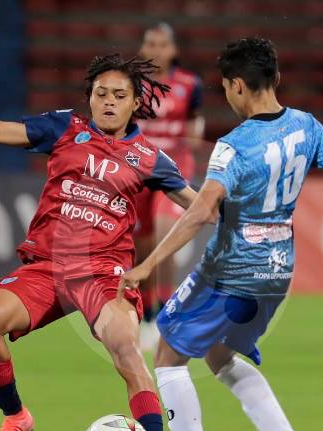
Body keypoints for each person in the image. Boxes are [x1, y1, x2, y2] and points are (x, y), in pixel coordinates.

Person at [118, 37, 323, 431]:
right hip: (279, 271)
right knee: (219, 354)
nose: (227, 95)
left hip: (231, 270)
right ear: (277, 78)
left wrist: (147, 266)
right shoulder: (308, 127)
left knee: (167, 352)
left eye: (228, 87)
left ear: (238, 86)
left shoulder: (233, 146)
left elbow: (203, 210)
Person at [0, 46, 196, 431]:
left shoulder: (150, 158)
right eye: (101, 94)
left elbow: (198, 206)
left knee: (125, 348)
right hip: (47, 266)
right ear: (90, 97)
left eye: (119, 95)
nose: (109, 102)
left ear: (136, 102)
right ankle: (16, 417)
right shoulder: (64, 128)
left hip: (103, 274)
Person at [134, 22, 205, 349]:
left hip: (173, 167)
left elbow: (195, 120)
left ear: (173, 49)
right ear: (143, 48)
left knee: (165, 230)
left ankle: (166, 312)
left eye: (162, 44)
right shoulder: (131, 82)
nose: (156, 50)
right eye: (151, 44)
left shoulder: (190, 84)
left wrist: (194, 134)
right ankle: (145, 313)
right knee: (141, 243)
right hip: (137, 167)